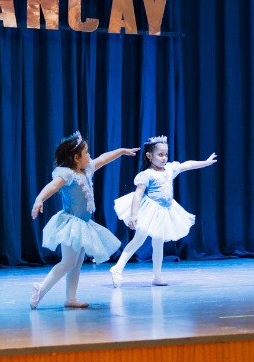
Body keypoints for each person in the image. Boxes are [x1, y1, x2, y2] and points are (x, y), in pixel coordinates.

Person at [28, 132, 136, 309]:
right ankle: (41, 289)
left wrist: (121, 151)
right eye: (86, 153)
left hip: (84, 225)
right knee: (69, 262)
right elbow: (52, 186)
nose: (90, 155)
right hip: (71, 224)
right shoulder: (67, 174)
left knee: (76, 263)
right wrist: (39, 199)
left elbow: (103, 158)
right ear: (76, 158)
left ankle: (70, 298)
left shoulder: (87, 169)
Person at [109, 136, 217, 287]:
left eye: (166, 154)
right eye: (160, 154)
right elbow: (138, 195)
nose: (164, 158)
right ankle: (117, 268)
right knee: (138, 240)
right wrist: (134, 214)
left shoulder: (169, 169)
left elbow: (187, 165)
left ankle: (157, 275)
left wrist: (205, 163)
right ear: (149, 156)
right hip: (150, 210)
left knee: (158, 244)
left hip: (164, 211)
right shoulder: (146, 175)